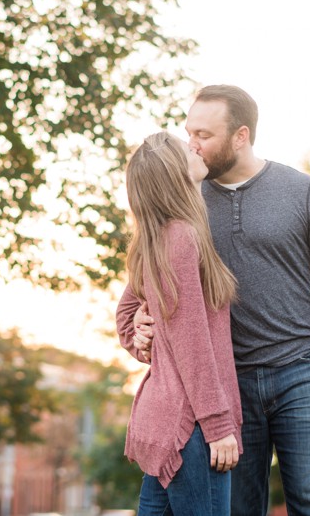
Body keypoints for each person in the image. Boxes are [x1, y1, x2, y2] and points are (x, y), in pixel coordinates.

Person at [117, 85, 310, 516]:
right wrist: (137, 328)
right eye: (188, 133)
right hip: (225, 383)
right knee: (239, 508)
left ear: (241, 135)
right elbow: (138, 297)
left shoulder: (303, 192)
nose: (192, 144)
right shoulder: (186, 202)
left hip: (303, 370)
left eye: (204, 135)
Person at [116, 131, 243, 516]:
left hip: (167, 422)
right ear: (174, 174)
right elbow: (192, 341)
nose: (193, 146)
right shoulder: (181, 238)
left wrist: (138, 330)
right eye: (183, 147)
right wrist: (218, 424)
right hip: (191, 428)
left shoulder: (158, 241)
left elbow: (125, 316)